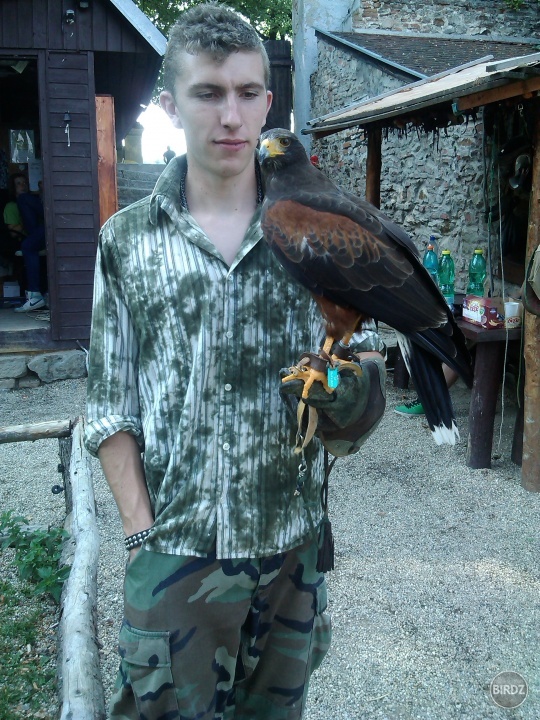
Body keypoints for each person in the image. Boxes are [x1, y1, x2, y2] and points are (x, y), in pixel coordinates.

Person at [85, 4, 386, 718]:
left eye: (248, 93)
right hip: (176, 563)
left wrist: (350, 396)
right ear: (170, 106)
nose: (231, 116)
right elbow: (108, 405)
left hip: (291, 561)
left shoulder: (316, 229)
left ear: (268, 102)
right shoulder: (126, 241)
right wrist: (142, 536)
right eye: (208, 93)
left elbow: (363, 382)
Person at [4, 173, 47, 312]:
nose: (22, 185)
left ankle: (35, 295)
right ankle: (35, 295)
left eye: (24, 182)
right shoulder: (12, 206)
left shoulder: (30, 200)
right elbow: (13, 230)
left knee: (28, 245)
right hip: (33, 235)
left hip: (42, 231)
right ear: (13, 188)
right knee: (28, 245)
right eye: (18, 183)